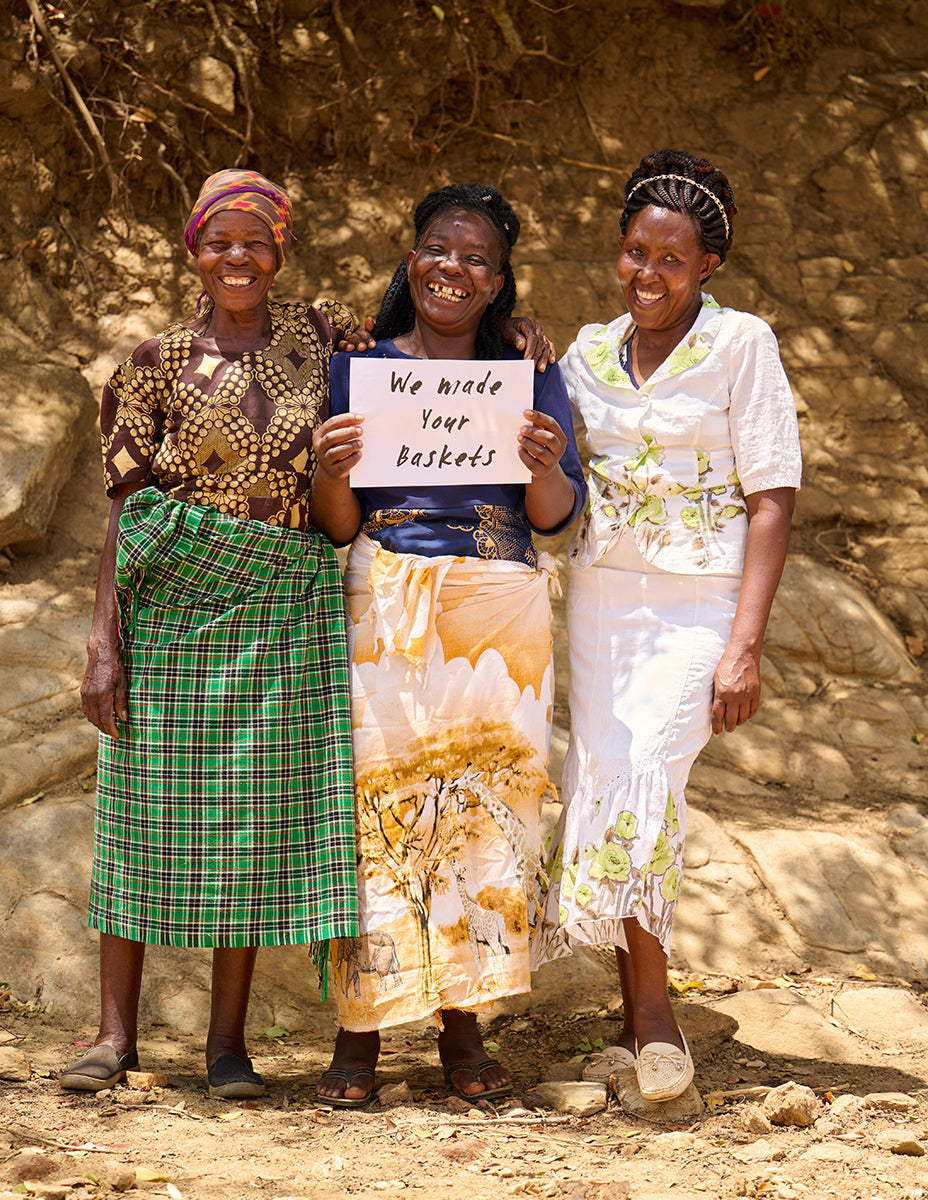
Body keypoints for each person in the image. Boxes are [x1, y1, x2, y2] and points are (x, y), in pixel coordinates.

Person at [60, 169, 365, 1100]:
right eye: (220, 241)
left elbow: (428, 334)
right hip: (173, 607)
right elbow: (124, 511)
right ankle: (114, 1036)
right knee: (138, 810)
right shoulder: (151, 363)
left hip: (283, 602)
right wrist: (105, 641)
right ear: (193, 251)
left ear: (280, 251)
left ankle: (226, 1046)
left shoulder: (327, 340)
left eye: (256, 241)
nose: (240, 256)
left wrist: (513, 323)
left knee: (249, 822)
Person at [310, 183, 586, 1107]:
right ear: (411, 258)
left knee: (480, 821)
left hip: (499, 611)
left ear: (499, 281)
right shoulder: (361, 370)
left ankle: (463, 1029)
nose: (453, 269)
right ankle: (359, 1035)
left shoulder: (529, 375)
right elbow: (338, 524)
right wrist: (329, 469)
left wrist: (545, 464)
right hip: (384, 595)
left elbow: (553, 518)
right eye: (438, 249)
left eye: (475, 259)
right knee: (376, 816)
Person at [538, 150, 801, 1103]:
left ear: (708, 269)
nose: (648, 276)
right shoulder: (586, 353)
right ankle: (635, 1011)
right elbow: (546, 452)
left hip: (699, 602)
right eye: (635, 253)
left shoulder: (743, 347)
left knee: (649, 768)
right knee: (605, 778)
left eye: (672, 261)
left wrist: (745, 643)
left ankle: (655, 1022)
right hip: (604, 597)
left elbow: (771, 496)